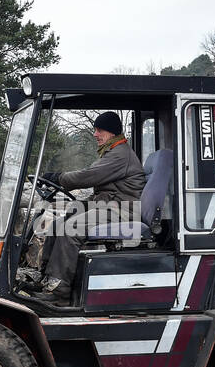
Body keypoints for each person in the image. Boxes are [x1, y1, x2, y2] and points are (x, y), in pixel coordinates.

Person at [33, 111, 144, 303]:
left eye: (99, 130)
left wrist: (58, 177)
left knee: (71, 229)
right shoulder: (111, 151)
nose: (95, 134)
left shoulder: (120, 154)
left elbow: (87, 176)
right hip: (109, 206)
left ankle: (59, 293)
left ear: (110, 132)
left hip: (123, 211)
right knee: (58, 224)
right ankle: (46, 280)